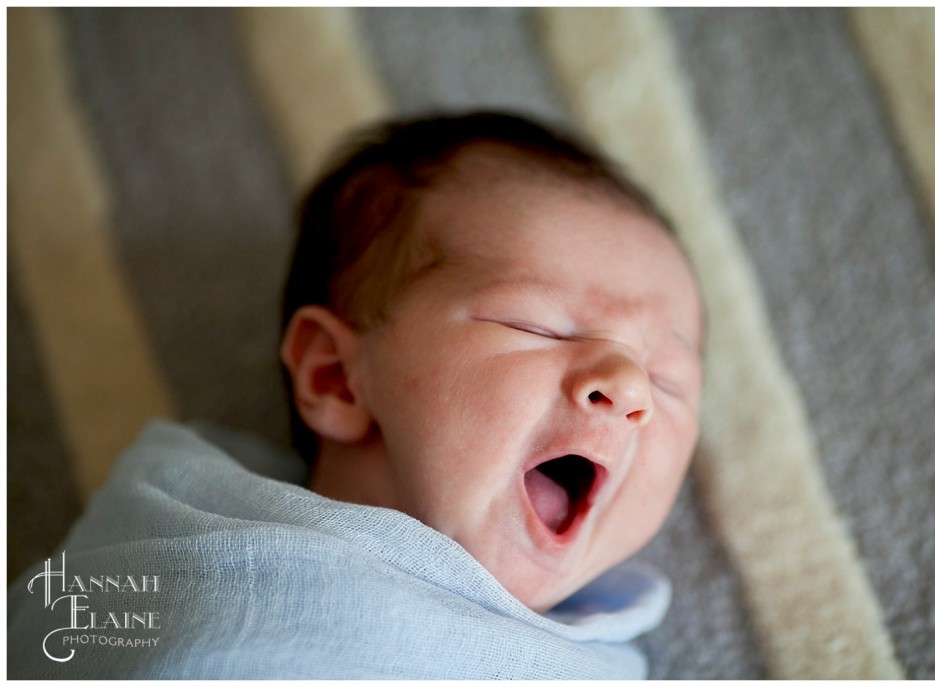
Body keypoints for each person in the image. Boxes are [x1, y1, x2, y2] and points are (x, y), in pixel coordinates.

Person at [7, 112, 703, 679]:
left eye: (669, 379)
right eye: (536, 325)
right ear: (336, 377)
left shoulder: (604, 656)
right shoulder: (196, 554)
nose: (629, 386)